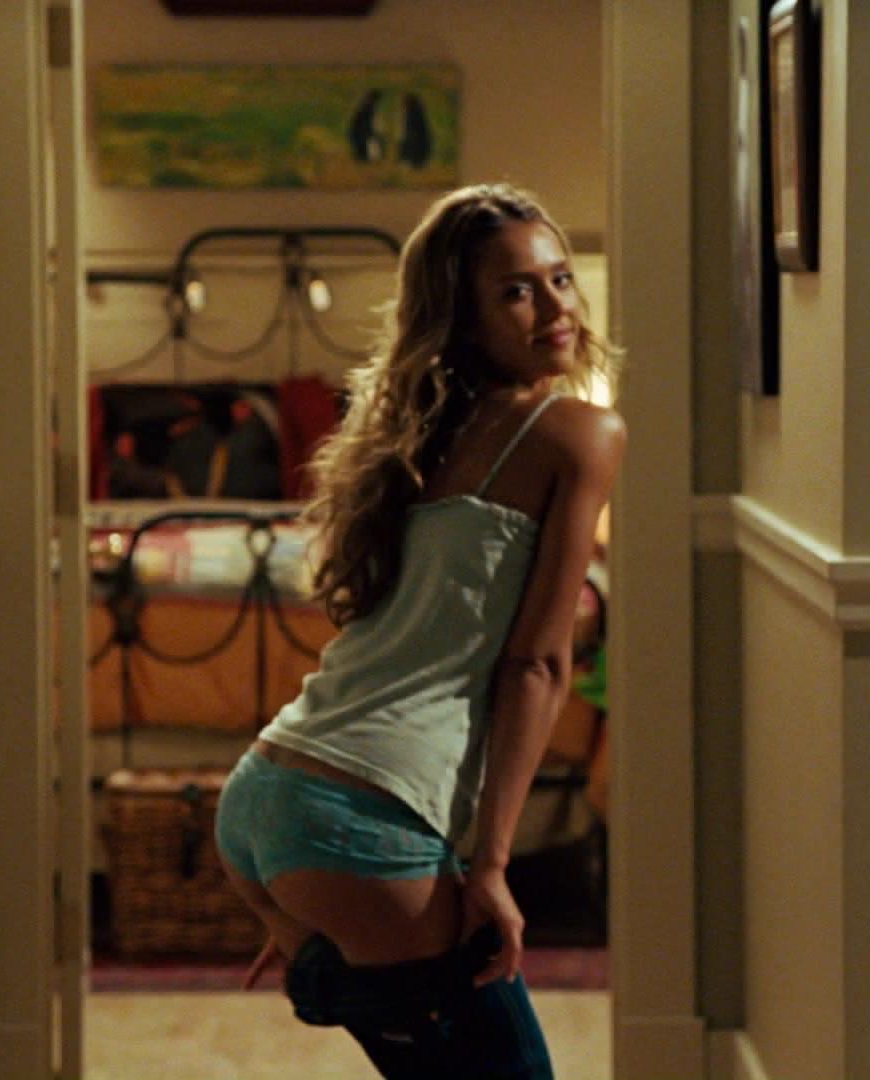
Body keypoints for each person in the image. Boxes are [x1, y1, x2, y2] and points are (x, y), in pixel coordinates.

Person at [214, 182, 625, 1078]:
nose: (555, 307)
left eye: (560, 278)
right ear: (461, 317)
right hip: (369, 821)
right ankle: (336, 983)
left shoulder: (409, 434)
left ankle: (333, 982)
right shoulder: (580, 434)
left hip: (264, 797)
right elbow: (537, 665)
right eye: (516, 291)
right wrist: (491, 868)